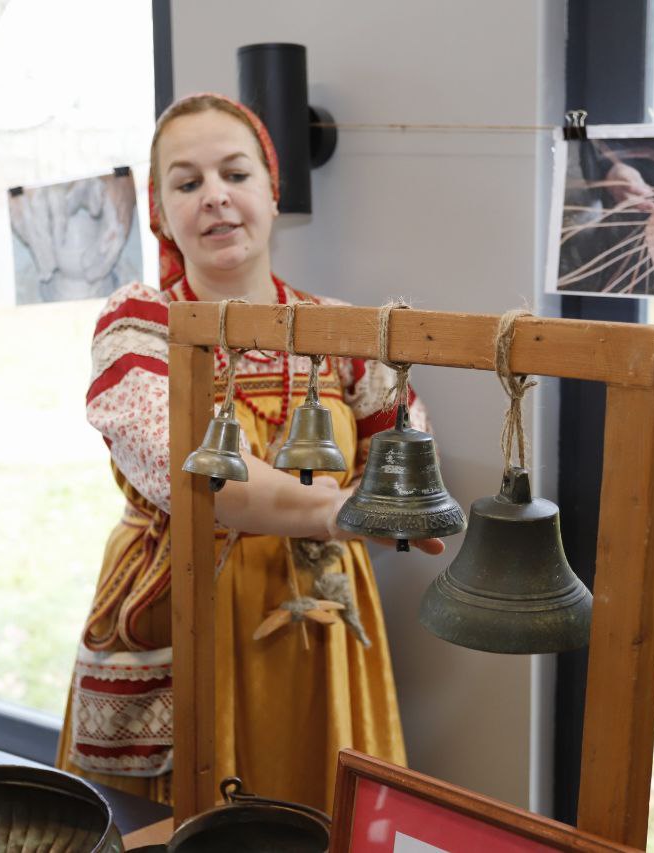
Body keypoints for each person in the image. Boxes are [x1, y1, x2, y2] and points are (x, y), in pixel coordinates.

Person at [56, 93, 444, 812]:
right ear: (160, 210)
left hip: (321, 617)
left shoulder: (342, 330)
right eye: (187, 182)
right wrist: (342, 511)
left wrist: (396, 504)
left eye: (235, 174)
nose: (216, 197)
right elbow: (198, 471)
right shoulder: (140, 323)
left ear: (272, 190)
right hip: (184, 608)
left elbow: (404, 476)